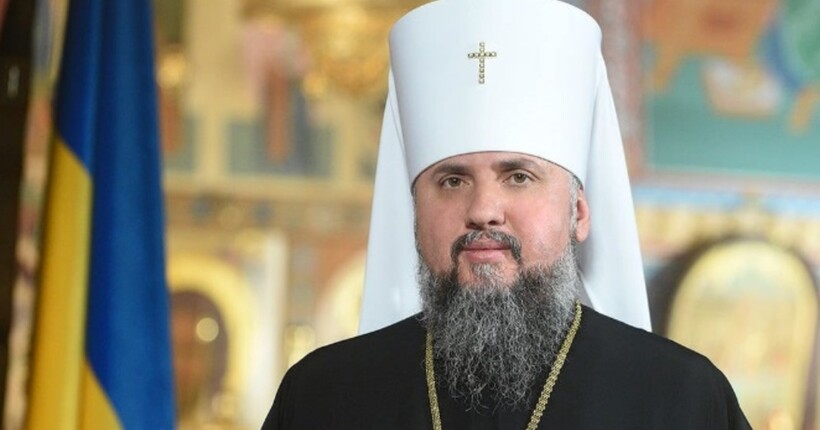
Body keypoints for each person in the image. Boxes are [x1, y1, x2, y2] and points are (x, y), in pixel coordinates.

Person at [263, 0, 751, 428]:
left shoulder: (683, 398)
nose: (483, 211)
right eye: (452, 181)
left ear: (579, 212)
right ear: (414, 214)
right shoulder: (322, 397)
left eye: (518, 177)